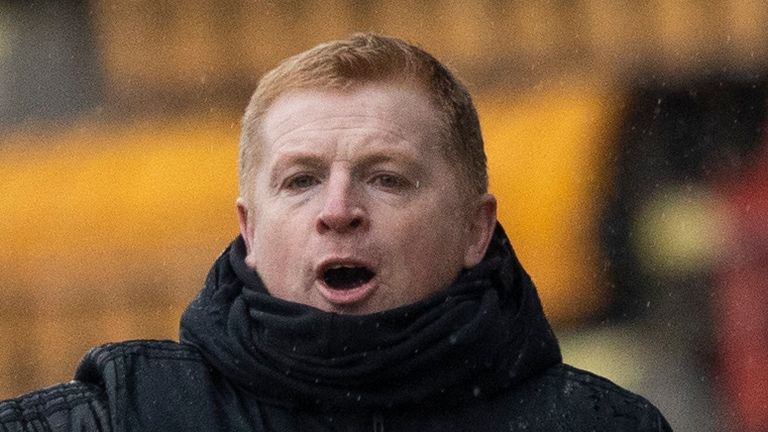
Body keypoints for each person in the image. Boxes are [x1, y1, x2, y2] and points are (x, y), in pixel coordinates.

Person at [0, 33, 671, 431]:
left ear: (475, 229)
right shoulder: (122, 418)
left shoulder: (597, 426)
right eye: (300, 180)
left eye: (387, 178)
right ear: (249, 231)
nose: (339, 209)